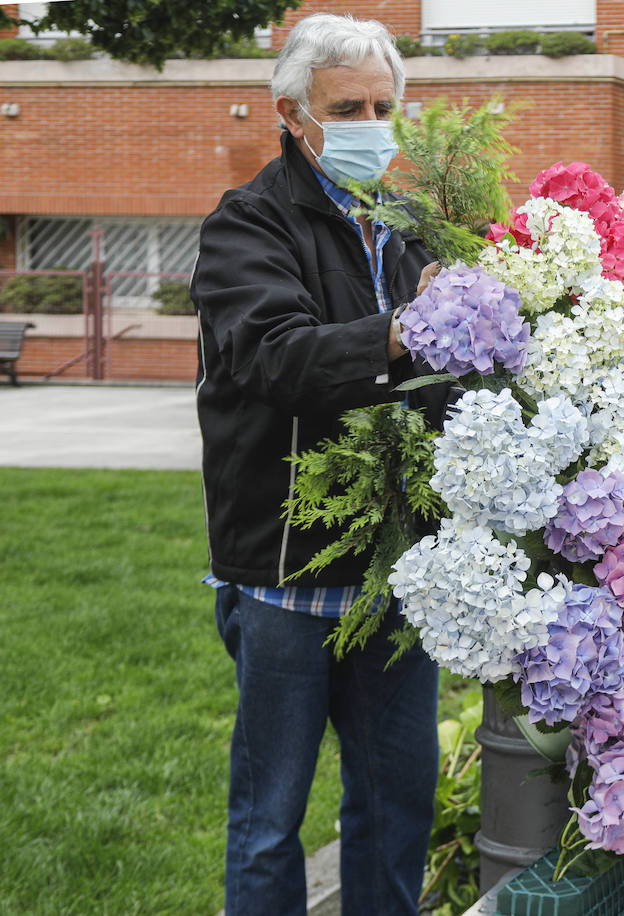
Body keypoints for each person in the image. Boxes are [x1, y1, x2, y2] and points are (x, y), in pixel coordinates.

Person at [191, 14, 449, 915]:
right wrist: (404, 328)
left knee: (396, 805)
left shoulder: (409, 228)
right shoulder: (247, 225)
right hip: (287, 576)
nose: (369, 124)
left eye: (383, 106)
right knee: (271, 819)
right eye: (348, 107)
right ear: (292, 114)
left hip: (397, 577)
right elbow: (277, 358)